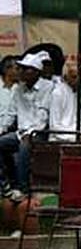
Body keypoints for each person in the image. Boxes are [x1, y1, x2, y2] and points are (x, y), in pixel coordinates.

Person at [0, 51, 54, 201]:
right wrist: (2, 129)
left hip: (40, 132)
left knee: (24, 145)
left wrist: (30, 133)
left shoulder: (48, 87)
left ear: (36, 71)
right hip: (20, 132)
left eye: (25, 69)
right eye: (21, 68)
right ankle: (5, 185)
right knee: (2, 142)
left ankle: (22, 188)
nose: (21, 72)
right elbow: (11, 114)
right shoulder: (19, 88)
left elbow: (44, 116)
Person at [49, 61, 81, 139]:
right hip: (62, 135)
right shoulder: (57, 93)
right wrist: (75, 136)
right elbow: (54, 126)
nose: (78, 80)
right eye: (74, 77)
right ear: (65, 78)